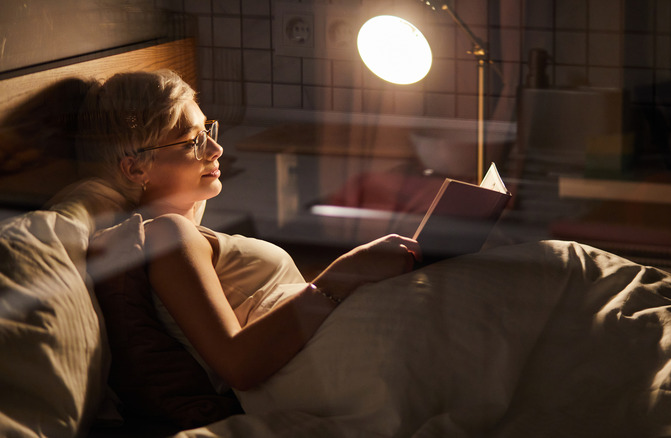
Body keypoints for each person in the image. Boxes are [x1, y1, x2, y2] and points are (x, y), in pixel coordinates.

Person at [75, 69, 422, 391]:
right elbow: (237, 363)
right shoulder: (169, 233)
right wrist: (345, 274)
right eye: (192, 142)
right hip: (329, 365)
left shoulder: (184, 232)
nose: (216, 148)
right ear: (136, 169)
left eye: (207, 131)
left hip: (336, 348)